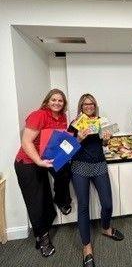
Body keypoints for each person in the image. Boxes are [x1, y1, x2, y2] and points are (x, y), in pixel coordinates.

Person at [15, 89, 72, 257]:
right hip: (28, 162)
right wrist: (38, 162)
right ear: (47, 101)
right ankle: (42, 239)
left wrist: (67, 152)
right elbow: (26, 142)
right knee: (37, 201)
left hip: (47, 159)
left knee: (64, 173)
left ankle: (61, 200)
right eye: (53, 99)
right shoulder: (39, 115)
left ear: (64, 103)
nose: (57, 103)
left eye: (60, 100)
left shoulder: (62, 117)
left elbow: (59, 140)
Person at [69, 93, 124, 267]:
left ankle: (106, 227)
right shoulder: (75, 123)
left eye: (91, 104)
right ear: (81, 106)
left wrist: (106, 140)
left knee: (107, 203)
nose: (89, 106)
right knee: (83, 206)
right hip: (79, 167)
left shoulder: (102, 121)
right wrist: (78, 138)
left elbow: (104, 145)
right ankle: (87, 247)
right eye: (85, 104)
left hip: (99, 164)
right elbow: (69, 147)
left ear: (95, 105)